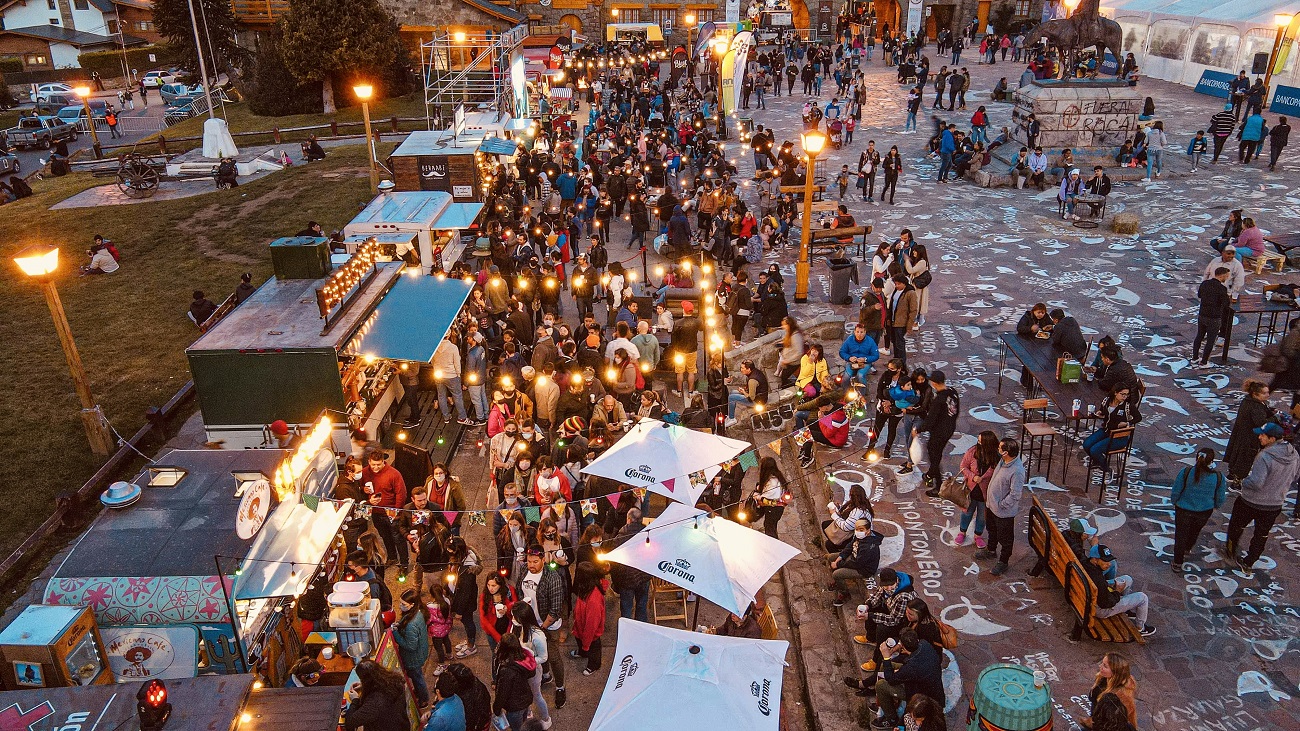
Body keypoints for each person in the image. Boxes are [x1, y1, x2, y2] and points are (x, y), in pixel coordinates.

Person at [1226, 422, 1300, 571]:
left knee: (1236, 525)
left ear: (1272, 439)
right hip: (1275, 504)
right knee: (1261, 534)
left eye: (1262, 435)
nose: (1259, 437)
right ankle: (1249, 562)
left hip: (1251, 501)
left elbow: (1257, 482)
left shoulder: (1264, 456)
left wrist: (1244, 482)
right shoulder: (1294, 455)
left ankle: (1230, 551)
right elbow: (1296, 476)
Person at [872, 628, 944, 729]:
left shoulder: (911, 668)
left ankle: (891, 718)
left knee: (881, 685)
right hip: (925, 685)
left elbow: (891, 680)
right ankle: (884, 703)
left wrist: (886, 657)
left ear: (903, 647)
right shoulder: (924, 644)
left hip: (920, 695)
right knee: (886, 666)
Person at [1169, 447, 1227, 571]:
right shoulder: (1218, 477)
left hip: (1184, 509)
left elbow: (1176, 490)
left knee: (1180, 535)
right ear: (1212, 461)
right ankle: (1187, 548)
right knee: (1195, 531)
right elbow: (1220, 496)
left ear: (1196, 458)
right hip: (1204, 511)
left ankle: (1177, 562)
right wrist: (1216, 505)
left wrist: (1175, 502)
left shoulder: (1186, 472)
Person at [1086, 545, 1157, 637]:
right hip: (1100, 609)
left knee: (1127, 579)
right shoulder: (1098, 580)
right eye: (1105, 561)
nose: (1109, 564)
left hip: (1091, 597)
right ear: (1095, 560)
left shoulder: (1086, 564)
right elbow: (1106, 603)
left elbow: (1101, 588)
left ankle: (1125, 609)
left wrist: (1108, 585)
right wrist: (1117, 592)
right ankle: (1140, 628)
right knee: (1142, 598)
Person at [980, 438, 1024, 576]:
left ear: (1005, 452)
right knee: (991, 530)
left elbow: (1015, 494)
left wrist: (1001, 505)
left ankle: (1003, 561)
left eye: (1000, 448)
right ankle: (991, 550)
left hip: (1003, 512)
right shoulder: (1003, 461)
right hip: (992, 506)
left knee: (1005, 538)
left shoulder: (1017, 471)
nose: (997, 449)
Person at [916, 371, 959, 495]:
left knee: (934, 456)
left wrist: (918, 430)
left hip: (939, 432)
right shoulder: (952, 392)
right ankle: (930, 473)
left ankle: (938, 486)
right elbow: (956, 410)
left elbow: (931, 419)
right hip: (949, 428)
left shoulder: (939, 400)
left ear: (934, 383)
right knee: (937, 452)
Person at [364, 449, 409, 570]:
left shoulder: (394, 474)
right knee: (385, 537)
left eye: (378, 464)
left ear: (384, 462)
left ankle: (404, 563)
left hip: (392, 513)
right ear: (369, 461)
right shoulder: (365, 472)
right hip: (376, 513)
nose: (375, 467)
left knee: (398, 538)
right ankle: (392, 557)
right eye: (373, 464)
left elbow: (401, 494)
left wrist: (396, 512)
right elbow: (361, 487)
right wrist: (364, 490)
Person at [956, 430, 999, 548]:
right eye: (978, 441)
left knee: (982, 515)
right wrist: (972, 476)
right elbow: (963, 466)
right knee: (967, 512)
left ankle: (978, 535)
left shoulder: (996, 457)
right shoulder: (972, 452)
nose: (978, 443)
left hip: (986, 492)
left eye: (981, 441)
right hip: (971, 490)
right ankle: (962, 532)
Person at [1082, 385, 1141, 470]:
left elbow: (1138, 418)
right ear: (1115, 393)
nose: (1124, 397)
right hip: (1106, 430)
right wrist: (1100, 413)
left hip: (1119, 436)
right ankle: (1098, 460)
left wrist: (1127, 423)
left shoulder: (1128, 406)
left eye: (1126, 395)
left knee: (1094, 450)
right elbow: (1102, 411)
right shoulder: (1106, 401)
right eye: (1122, 394)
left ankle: (1105, 467)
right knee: (1087, 444)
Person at [1225, 380, 1274, 481]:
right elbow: (1261, 423)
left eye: (1268, 392)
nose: (1267, 395)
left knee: (1237, 455)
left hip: (1241, 434)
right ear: (1255, 394)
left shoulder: (1247, 401)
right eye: (1264, 393)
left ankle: (1232, 475)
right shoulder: (1256, 406)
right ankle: (1237, 482)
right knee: (1245, 459)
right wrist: (1275, 417)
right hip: (1250, 438)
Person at [609, 507, 651, 621]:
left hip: (626, 580)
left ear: (628, 519)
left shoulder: (619, 538)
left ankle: (626, 633)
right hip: (644, 577)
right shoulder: (648, 536)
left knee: (626, 610)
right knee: (642, 607)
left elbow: (614, 564)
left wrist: (616, 583)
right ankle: (641, 631)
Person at [343, 660, 410, 731]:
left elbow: (350, 723)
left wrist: (355, 700)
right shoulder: (396, 680)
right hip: (402, 725)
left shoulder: (375, 703)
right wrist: (364, 686)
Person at [829, 518, 883, 606]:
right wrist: (840, 556)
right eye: (856, 529)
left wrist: (838, 564)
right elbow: (850, 546)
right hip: (855, 557)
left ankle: (844, 594)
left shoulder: (869, 547)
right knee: (831, 557)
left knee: (837, 574)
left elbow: (857, 564)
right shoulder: (859, 537)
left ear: (868, 530)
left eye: (861, 530)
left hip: (863, 569)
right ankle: (838, 582)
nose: (858, 531)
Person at [1079, 653, 1139, 730]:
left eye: (1105, 666)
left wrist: (1092, 724)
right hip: (1097, 720)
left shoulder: (1120, 697)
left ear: (1115, 673)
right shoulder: (1104, 678)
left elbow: (1112, 724)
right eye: (1102, 663)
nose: (1100, 666)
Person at [392, 589, 431, 707]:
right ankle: (420, 692)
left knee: (417, 678)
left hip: (414, 658)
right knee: (417, 677)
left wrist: (396, 634)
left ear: (412, 604)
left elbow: (410, 645)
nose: (400, 606)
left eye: (404, 604)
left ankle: (423, 698)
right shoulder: (419, 612)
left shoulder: (411, 625)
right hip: (421, 651)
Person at [491, 634, 537, 731]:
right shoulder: (524, 658)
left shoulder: (507, 669)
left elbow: (503, 692)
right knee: (523, 723)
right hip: (525, 699)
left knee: (517, 728)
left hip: (514, 706)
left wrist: (497, 708)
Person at [569, 561, 608, 675]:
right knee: (582, 643)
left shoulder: (594, 598)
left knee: (593, 649)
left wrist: (586, 643)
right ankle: (583, 652)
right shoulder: (586, 588)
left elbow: (592, 624)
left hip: (590, 633)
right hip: (580, 627)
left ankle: (594, 665)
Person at [1193, 267, 1231, 367]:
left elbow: (1200, 295)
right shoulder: (1222, 288)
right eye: (1227, 276)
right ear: (1222, 275)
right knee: (1210, 340)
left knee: (1199, 336)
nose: (1227, 278)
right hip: (1214, 317)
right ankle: (1204, 362)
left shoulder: (1204, 283)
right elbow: (1226, 303)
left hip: (1202, 314)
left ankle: (1195, 358)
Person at [752, 456, 791, 538]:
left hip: (773, 509)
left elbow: (768, 497)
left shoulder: (773, 482)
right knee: (770, 526)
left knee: (770, 529)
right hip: (775, 509)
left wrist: (757, 496)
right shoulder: (775, 477)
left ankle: (773, 546)